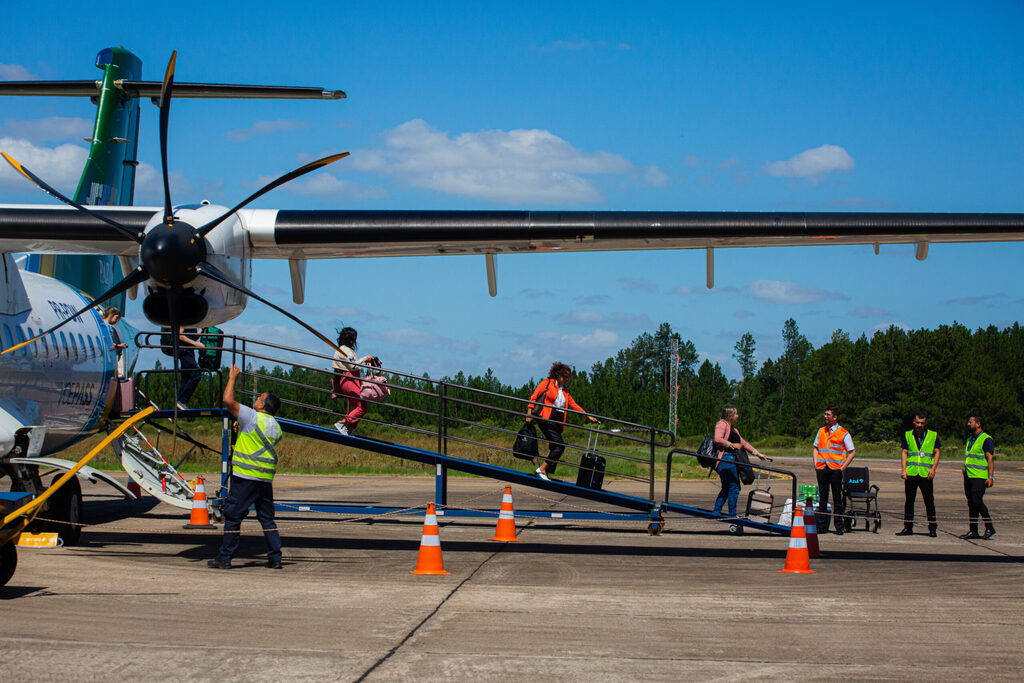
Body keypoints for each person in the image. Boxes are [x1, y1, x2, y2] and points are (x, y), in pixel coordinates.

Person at [208, 364, 284, 569]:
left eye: (259, 397)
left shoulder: (252, 417)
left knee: (233, 517)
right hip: (264, 480)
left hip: (245, 477)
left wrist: (232, 378)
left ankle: (224, 558)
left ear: (262, 404)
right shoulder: (276, 427)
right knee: (267, 519)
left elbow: (227, 401)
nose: (256, 399)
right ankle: (275, 558)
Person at [525, 362, 599, 481]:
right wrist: (529, 415)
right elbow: (534, 397)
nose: (566, 380)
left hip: (558, 421)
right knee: (560, 446)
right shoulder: (547, 383)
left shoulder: (564, 390)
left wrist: (586, 415)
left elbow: (573, 404)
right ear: (557, 374)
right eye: (564, 377)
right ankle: (542, 469)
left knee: (555, 445)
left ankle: (546, 472)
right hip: (547, 418)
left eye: (568, 378)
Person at [711, 405, 768, 517]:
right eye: (736, 413)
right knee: (734, 487)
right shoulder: (721, 424)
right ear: (730, 415)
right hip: (725, 459)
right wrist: (731, 444)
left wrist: (757, 454)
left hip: (732, 459)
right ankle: (732, 514)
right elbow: (717, 439)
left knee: (727, 487)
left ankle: (716, 511)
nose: (738, 416)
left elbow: (744, 444)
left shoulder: (733, 429)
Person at [812, 406, 856, 534]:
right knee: (822, 498)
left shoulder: (843, 433)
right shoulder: (821, 431)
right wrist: (816, 462)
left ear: (835, 417)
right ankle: (821, 526)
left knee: (837, 498)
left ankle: (838, 526)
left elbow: (852, 452)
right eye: (825, 414)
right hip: (822, 467)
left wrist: (842, 467)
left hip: (835, 469)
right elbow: (815, 447)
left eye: (828, 415)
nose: (825, 417)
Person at [897, 411, 940, 537]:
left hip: (925, 473)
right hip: (911, 472)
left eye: (922, 423)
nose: (919, 425)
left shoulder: (932, 435)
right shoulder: (908, 435)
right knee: (909, 501)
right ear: (914, 422)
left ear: (925, 423)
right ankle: (908, 527)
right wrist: (903, 470)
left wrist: (933, 469)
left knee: (929, 501)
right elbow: (904, 452)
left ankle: (932, 527)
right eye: (917, 422)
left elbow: (936, 452)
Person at [331, 326, 377, 436]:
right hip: (349, 379)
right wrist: (365, 358)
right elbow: (353, 366)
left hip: (347, 380)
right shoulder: (346, 351)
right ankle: (342, 424)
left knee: (358, 407)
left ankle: (349, 429)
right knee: (362, 407)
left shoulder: (340, 350)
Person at [959, 414, 995, 540]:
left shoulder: (986, 439)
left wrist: (991, 477)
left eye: (971, 422)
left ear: (978, 424)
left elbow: (990, 459)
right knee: (971, 503)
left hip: (979, 476)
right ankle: (973, 530)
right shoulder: (970, 439)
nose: (968, 424)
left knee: (977, 501)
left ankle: (989, 526)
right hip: (969, 475)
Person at [174, 328, 205, 409]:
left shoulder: (191, 323)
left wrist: (201, 330)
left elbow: (190, 338)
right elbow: (180, 336)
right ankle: (182, 401)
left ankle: (180, 402)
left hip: (188, 350)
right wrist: (195, 344)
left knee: (186, 378)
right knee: (196, 375)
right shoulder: (185, 319)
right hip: (184, 350)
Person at [101, 306, 127, 378]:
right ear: (111, 315)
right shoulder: (107, 326)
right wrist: (119, 346)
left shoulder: (105, 325)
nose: (117, 321)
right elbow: (107, 343)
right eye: (116, 318)